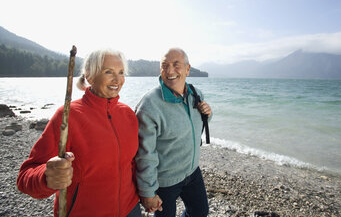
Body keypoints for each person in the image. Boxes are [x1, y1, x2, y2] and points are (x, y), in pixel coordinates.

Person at [17, 49, 141, 217]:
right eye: (108, 72)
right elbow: (25, 176)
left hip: (130, 209)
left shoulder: (128, 115)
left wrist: (147, 194)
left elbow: (132, 165)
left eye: (121, 72)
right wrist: (46, 176)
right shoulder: (68, 116)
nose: (117, 80)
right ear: (89, 76)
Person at [135, 48, 212, 216]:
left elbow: (194, 127)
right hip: (165, 181)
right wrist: (148, 192)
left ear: (187, 69)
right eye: (165, 65)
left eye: (176, 65)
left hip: (192, 171)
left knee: (200, 212)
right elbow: (144, 153)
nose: (170, 71)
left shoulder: (196, 94)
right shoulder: (149, 104)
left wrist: (207, 115)